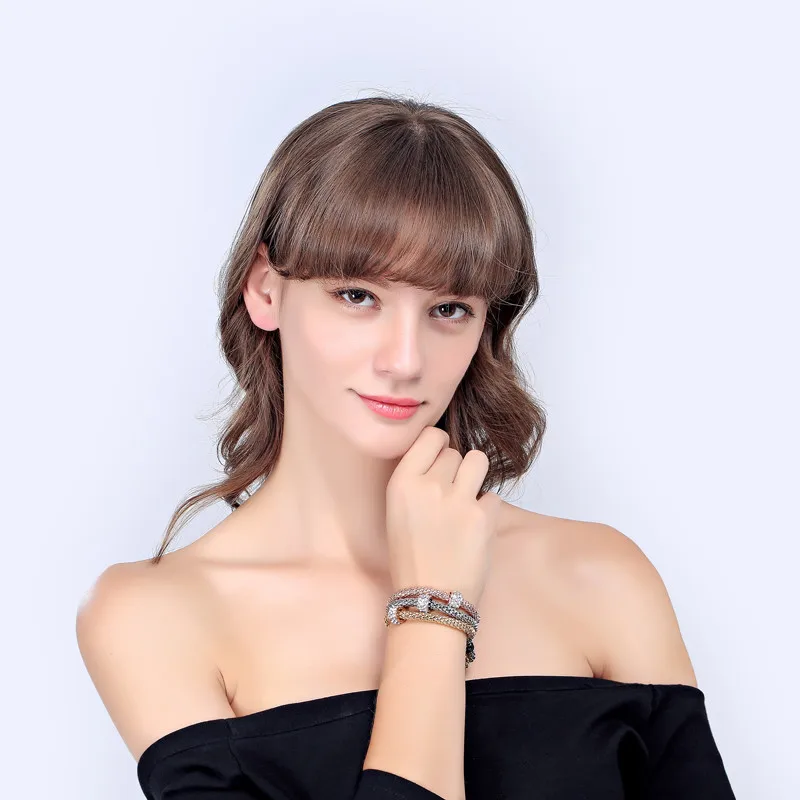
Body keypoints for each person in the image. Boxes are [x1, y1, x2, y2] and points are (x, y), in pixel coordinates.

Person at [76, 95, 736, 800]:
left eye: (448, 309)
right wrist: (433, 610)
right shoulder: (157, 616)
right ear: (265, 289)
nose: (404, 359)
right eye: (358, 296)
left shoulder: (599, 575)